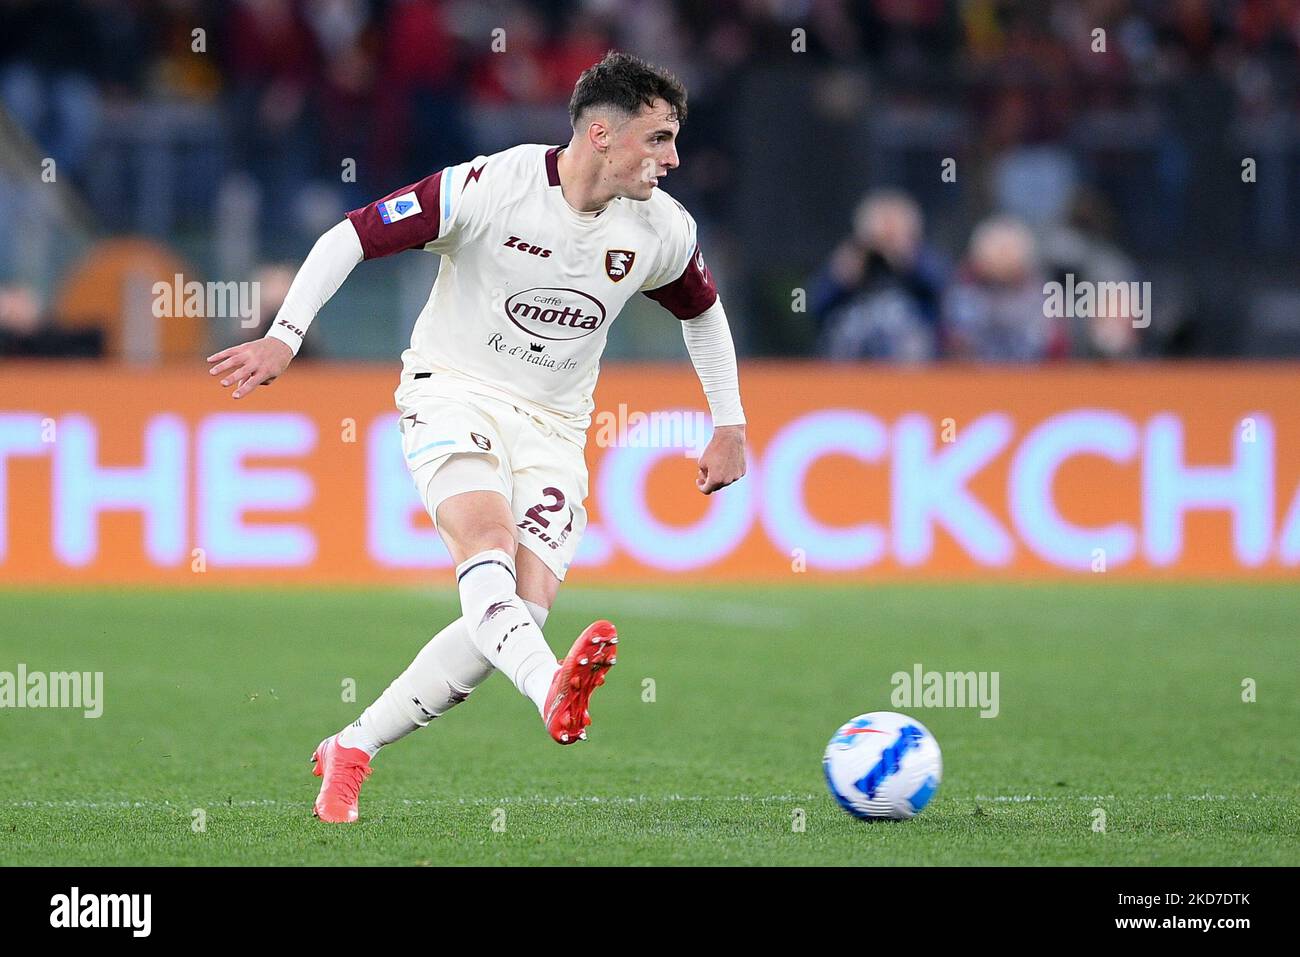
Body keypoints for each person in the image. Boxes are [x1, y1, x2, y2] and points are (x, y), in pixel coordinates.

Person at [205, 52, 748, 824]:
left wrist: (730, 420)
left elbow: (701, 311)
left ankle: (352, 745)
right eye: (659, 138)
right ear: (602, 134)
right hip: (452, 390)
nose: (673, 157)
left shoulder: (661, 227)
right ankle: (548, 686)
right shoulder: (493, 187)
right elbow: (349, 236)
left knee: (518, 611)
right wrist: (286, 335)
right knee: (487, 543)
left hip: (555, 426)